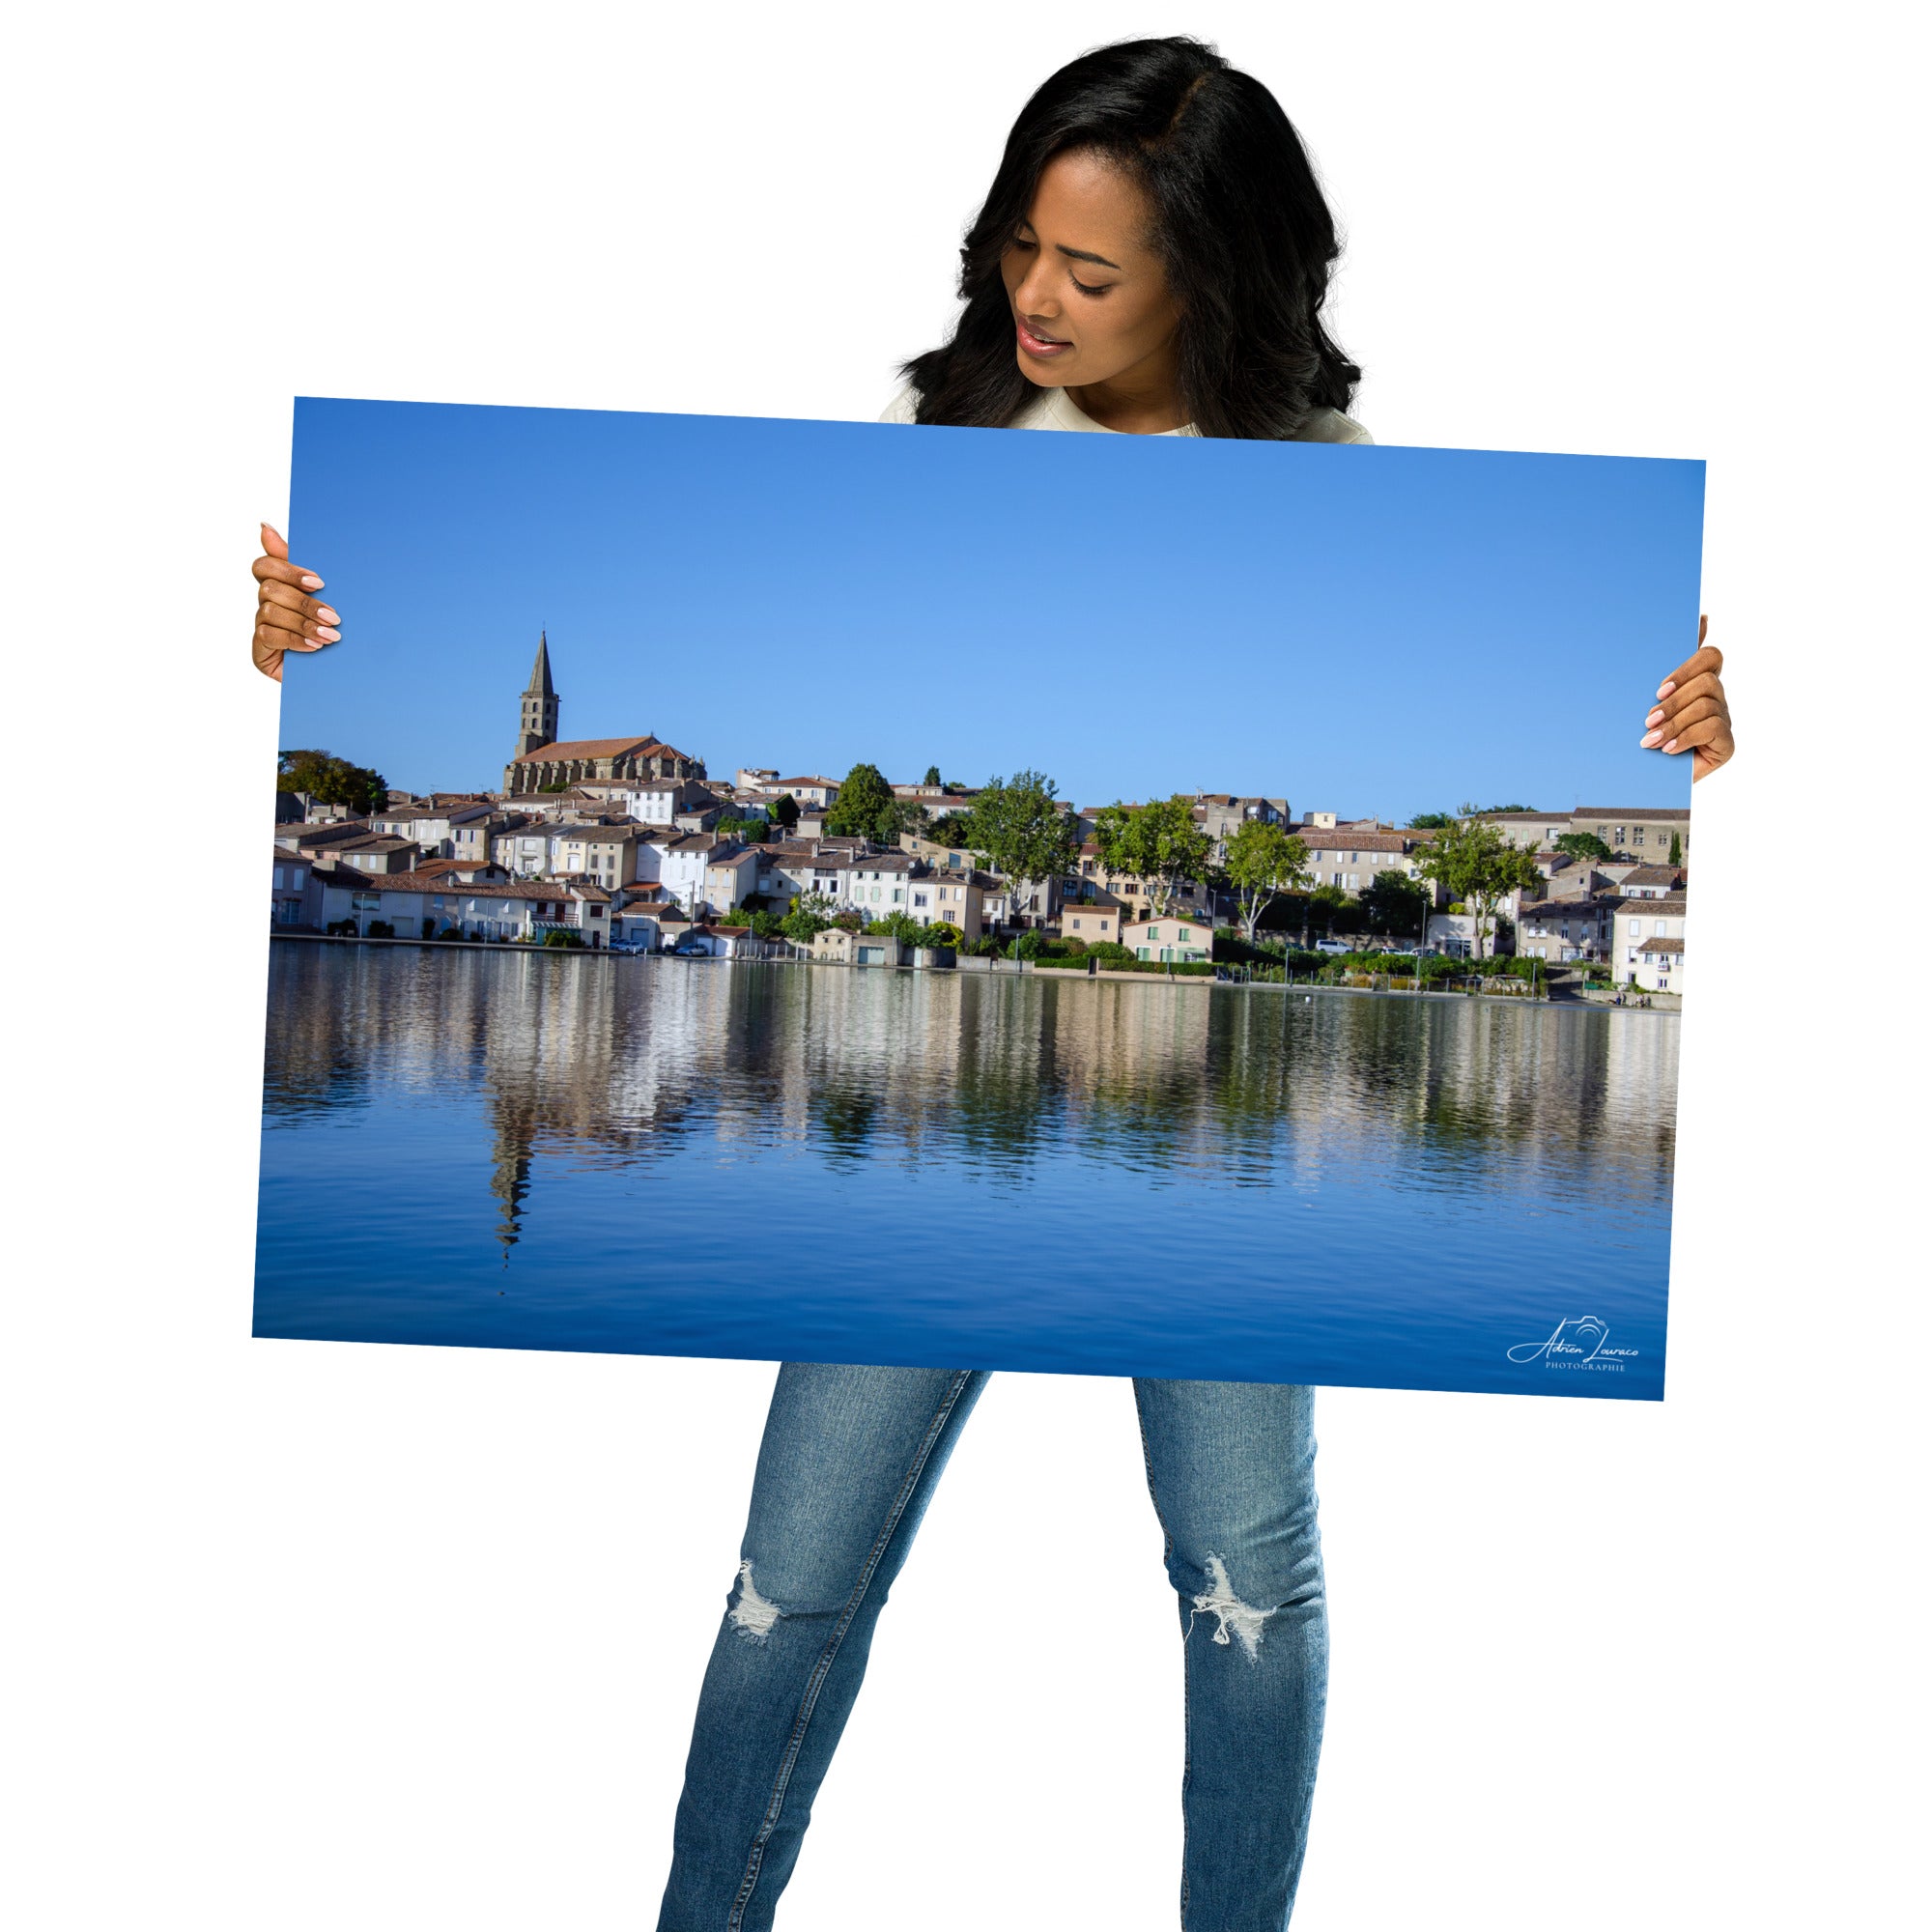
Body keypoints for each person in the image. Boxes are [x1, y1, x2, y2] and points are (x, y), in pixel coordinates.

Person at [246, 38, 1734, 1930]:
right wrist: (294, 640)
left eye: (1090, 273)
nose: (1035, 297)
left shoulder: (1339, 484)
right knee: (788, 1578)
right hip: (919, 1194)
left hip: (1201, 1214)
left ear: (1217, 273)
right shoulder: (934, 434)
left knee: (1244, 1580)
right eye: (1022, 245)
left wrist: (1698, 737)